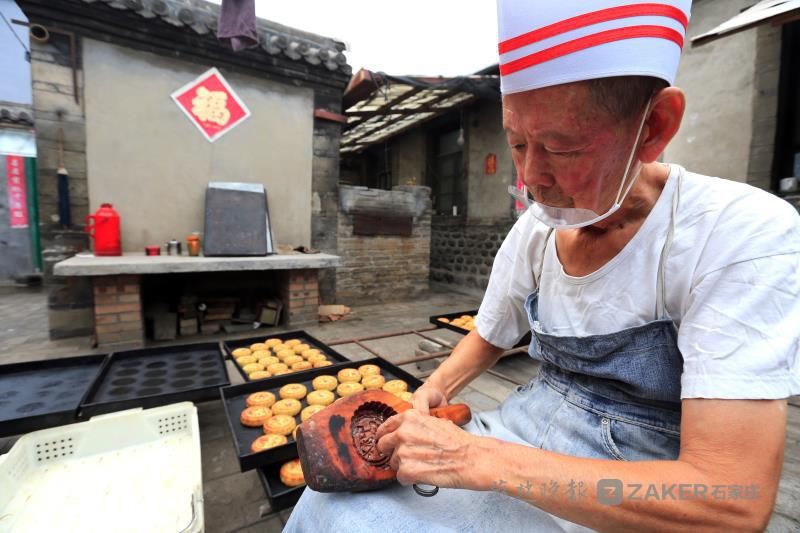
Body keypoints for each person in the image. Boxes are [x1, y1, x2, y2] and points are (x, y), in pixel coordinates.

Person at [286, 1, 800, 530]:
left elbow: (731, 500)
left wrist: (474, 460)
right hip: (525, 426)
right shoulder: (537, 228)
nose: (533, 177)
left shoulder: (738, 232)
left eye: (562, 147)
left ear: (655, 127)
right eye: (517, 143)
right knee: (328, 504)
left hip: (638, 480)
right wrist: (429, 396)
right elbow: (489, 335)